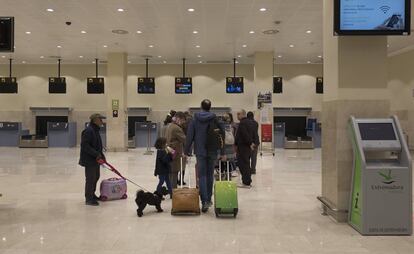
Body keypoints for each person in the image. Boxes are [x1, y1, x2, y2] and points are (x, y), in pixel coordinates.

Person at [185, 99, 225, 213]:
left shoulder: (195, 119)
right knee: (210, 174)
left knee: (202, 175)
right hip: (212, 150)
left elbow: (189, 136)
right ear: (210, 107)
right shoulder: (215, 118)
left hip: (200, 151)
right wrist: (222, 152)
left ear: (201, 107)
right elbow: (222, 135)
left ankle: (205, 201)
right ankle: (209, 198)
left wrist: (186, 150)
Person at [79, 113, 106, 206]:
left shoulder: (95, 130)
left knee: (96, 177)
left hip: (95, 159)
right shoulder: (88, 131)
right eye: (100, 119)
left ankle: (92, 194)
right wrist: (96, 154)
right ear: (95, 120)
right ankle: (89, 199)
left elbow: (98, 146)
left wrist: (102, 156)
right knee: (90, 179)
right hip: (89, 160)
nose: (102, 121)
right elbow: (85, 146)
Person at [165, 111, 187, 189]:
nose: (182, 123)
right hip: (175, 153)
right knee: (174, 172)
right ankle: (173, 191)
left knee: (171, 172)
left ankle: (170, 189)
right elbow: (185, 139)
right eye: (182, 121)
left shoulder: (169, 126)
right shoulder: (176, 128)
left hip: (169, 151)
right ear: (178, 119)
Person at [235, 110, 255, 188]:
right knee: (246, 163)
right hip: (247, 147)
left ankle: (246, 182)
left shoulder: (242, 123)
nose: (237, 115)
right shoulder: (250, 122)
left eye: (238, 114)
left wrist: (250, 143)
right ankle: (247, 181)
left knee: (243, 164)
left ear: (243, 114)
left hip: (243, 147)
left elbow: (244, 134)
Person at [221, 113, 236, 179]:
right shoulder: (231, 127)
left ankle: (221, 175)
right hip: (230, 147)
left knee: (221, 162)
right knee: (229, 162)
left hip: (223, 147)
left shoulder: (221, 127)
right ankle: (229, 175)